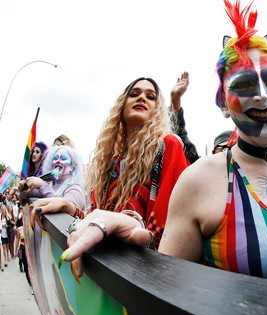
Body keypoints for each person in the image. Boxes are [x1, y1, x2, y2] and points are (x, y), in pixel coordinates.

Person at [41, 0, 267, 287]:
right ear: (223, 103)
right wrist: (129, 223)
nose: (264, 94)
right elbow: (165, 291)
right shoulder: (201, 179)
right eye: (245, 83)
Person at [32, 74, 191, 252]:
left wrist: (139, 229)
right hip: (107, 266)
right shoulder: (111, 161)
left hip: (145, 267)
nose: (142, 98)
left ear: (157, 110)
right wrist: (69, 208)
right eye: (134, 94)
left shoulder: (168, 145)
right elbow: (100, 223)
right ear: (122, 105)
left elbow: (174, 225)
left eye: (150, 96)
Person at [18, 145, 86, 210]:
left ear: (72, 167)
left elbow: (66, 210)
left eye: (63, 158)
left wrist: (42, 185)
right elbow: (30, 194)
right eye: (55, 158)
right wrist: (24, 188)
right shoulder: (51, 184)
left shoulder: (75, 189)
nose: (58, 161)